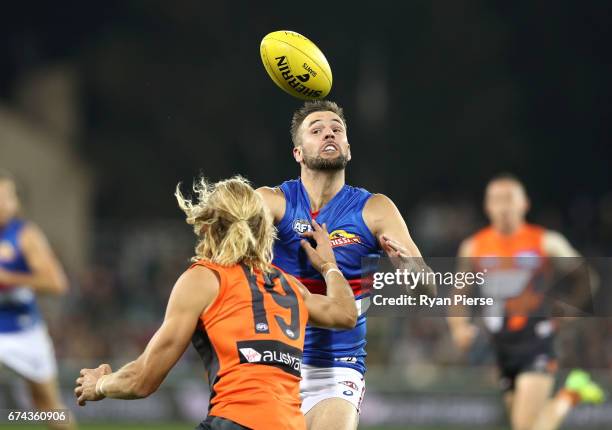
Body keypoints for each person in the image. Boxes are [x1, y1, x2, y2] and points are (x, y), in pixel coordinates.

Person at [74, 176, 359, 430]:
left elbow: (143, 379)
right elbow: (346, 314)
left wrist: (99, 384)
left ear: (208, 227)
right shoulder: (291, 287)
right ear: (263, 231)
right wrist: (329, 266)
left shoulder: (204, 279)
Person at [257, 100, 434, 430]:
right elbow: (226, 235)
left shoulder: (374, 209)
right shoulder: (272, 202)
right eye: (317, 129)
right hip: (274, 364)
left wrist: (410, 271)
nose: (329, 133)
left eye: (337, 129)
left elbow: (428, 285)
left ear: (348, 149)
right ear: (298, 152)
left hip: (338, 369)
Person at [448, 173, 604, 430]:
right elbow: (458, 294)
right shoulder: (474, 247)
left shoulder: (545, 241)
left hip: (536, 340)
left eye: (510, 199)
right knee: (527, 424)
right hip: (501, 346)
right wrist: (458, 328)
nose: (504, 206)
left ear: (524, 204)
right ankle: (571, 394)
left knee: (524, 427)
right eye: (497, 199)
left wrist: (570, 307)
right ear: (487, 206)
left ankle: (570, 394)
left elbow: (588, 277)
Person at [0, 169, 74, 430]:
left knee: (47, 408)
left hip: (22, 330)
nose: (4, 203)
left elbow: (56, 283)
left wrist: (8, 277)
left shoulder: (25, 236)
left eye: (8, 197)